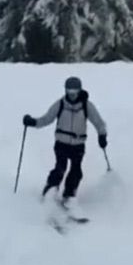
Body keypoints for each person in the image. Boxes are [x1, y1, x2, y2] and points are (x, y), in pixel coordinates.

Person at [23, 76, 107, 220]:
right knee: (60, 167)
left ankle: (69, 195)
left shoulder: (87, 106)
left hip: (78, 144)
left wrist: (102, 135)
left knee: (76, 170)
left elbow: (99, 122)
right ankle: (50, 190)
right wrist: (33, 122)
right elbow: (47, 119)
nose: (72, 94)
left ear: (79, 90)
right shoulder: (60, 104)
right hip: (61, 143)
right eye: (69, 91)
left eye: (74, 91)